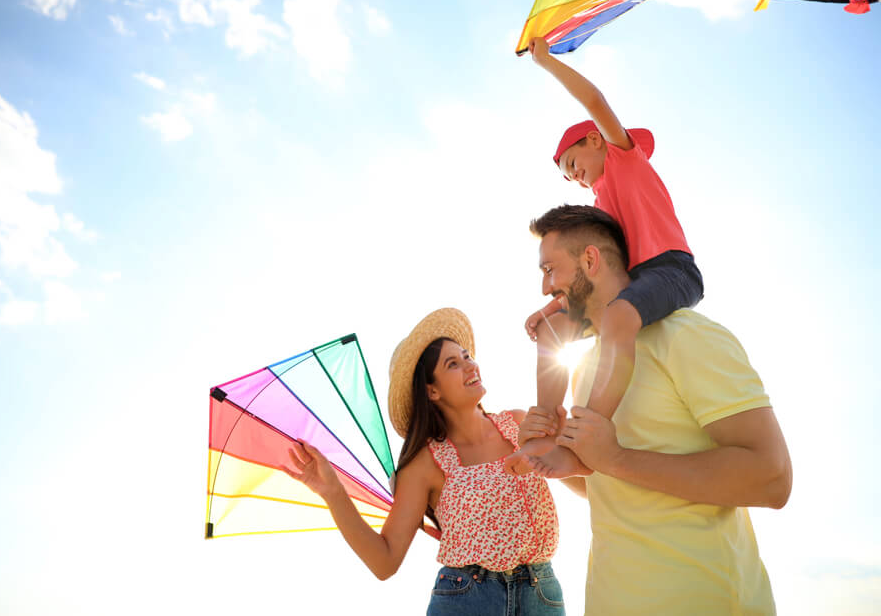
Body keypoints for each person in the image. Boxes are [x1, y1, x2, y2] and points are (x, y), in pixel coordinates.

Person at [517, 204, 791, 615]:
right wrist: (564, 463)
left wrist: (617, 458)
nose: (544, 289)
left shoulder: (687, 336)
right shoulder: (589, 369)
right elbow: (615, 487)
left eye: (549, 269)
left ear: (590, 260)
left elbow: (772, 478)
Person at [284, 308, 566, 615]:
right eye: (453, 364)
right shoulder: (425, 464)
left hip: (542, 593)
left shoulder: (518, 424)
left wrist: (563, 441)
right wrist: (333, 493)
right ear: (432, 390)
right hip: (468, 599)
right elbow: (385, 560)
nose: (469, 366)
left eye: (467, 356)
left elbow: (575, 473)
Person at [517, 37, 704, 472]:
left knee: (620, 315)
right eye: (567, 176)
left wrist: (545, 62)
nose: (574, 177)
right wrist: (552, 306)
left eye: (572, 163)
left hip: (671, 270)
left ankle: (586, 440)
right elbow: (591, 273)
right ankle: (546, 424)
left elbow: (594, 99)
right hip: (629, 283)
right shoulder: (599, 209)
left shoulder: (624, 157)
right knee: (551, 330)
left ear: (594, 140)